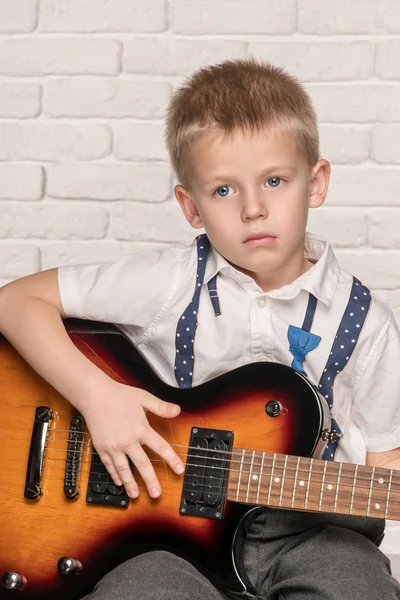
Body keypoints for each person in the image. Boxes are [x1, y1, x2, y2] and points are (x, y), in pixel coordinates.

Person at [0, 57, 399, 600]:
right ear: (191, 207)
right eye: (224, 191)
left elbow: (385, 465)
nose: (254, 209)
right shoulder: (170, 281)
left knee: (358, 585)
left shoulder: (365, 323)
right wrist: (98, 398)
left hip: (308, 530)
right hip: (158, 528)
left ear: (317, 182)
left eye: (275, 181)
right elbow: (17, 302)